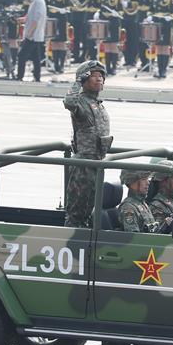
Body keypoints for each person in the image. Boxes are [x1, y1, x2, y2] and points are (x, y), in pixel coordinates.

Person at [64, 61, 112, 227]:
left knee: (90, 209)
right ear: (84, 79)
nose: (99, 79)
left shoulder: (98, 104)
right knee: (77, 211)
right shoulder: (81, 102)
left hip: (97, 163)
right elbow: (69, 102)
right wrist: (77, 82)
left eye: (101, 76)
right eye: (93, 76)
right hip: (84, 166)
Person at [17, 0, 46, 82]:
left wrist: (29, 34)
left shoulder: (38, 1)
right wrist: (24, 19)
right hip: (33, 34)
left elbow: (36, 20)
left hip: (33, 35)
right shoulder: (35, 0)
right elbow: (31, 15)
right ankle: (37, 77)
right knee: (36, 58)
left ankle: (19, 77)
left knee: (21, 55)